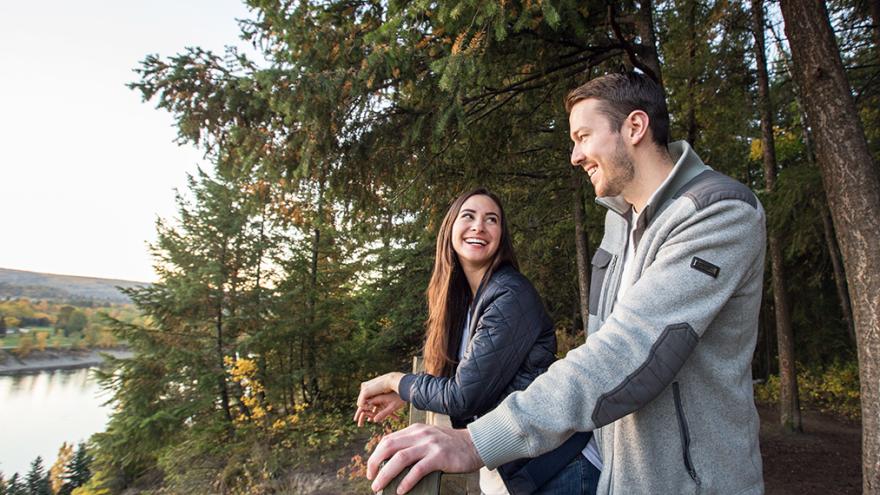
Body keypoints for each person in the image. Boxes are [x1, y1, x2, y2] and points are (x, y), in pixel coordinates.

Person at [366, 71, 766, 495]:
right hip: (616, 475)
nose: (575, 156)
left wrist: (477, 441)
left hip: (690, 483)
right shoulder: (619, 223)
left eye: (583, 136)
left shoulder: (719, 212)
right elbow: (598, 349)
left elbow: (628, 351)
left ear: (634, 127)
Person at [355, 188, 598, 495]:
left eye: (491, 220)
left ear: (501, 237)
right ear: (450, 229)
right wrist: (407, 396)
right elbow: (470, 379)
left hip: (560, 468)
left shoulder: (510, 295)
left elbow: (463, 396)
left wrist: (395, 381)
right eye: (468, 216)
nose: (479, 226)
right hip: (516, 467)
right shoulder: (467, 302)